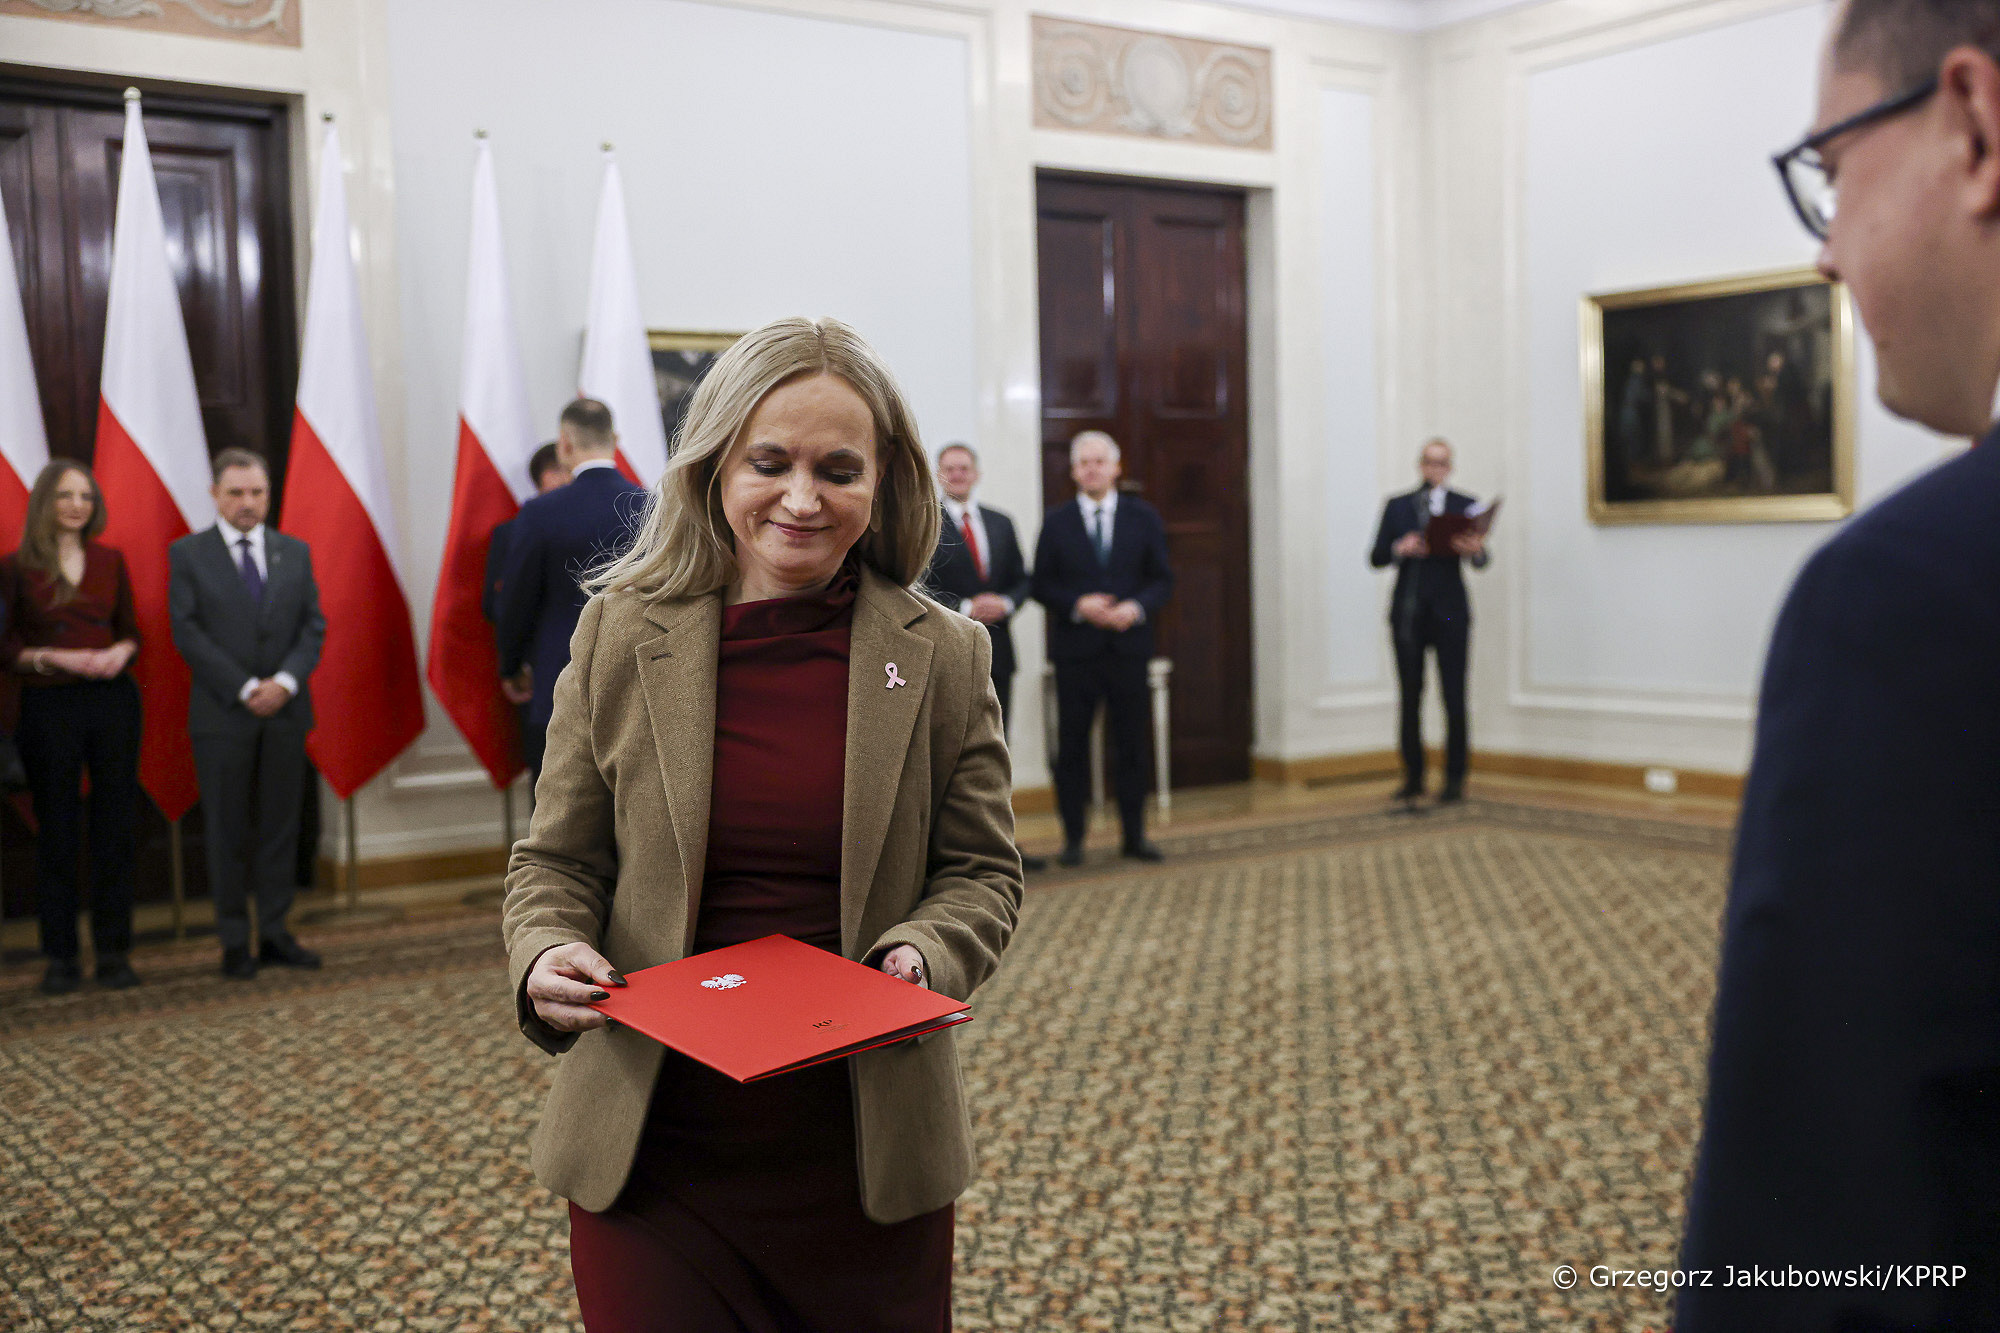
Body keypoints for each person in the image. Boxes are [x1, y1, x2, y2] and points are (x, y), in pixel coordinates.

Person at [502, 316, 1021, 1333]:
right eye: (769, 463)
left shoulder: (946, 655)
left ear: (882, 482)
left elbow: (981, 872)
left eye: (838, 469)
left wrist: (923, 953)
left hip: (863, 1150)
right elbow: (557, 858)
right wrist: (545, 947)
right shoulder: (619, 632)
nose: (802, 498)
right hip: (657, 1152)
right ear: (714, 469)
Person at [1678, 8, 2000, 1328]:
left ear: (1974, 126)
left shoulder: (1915, 600)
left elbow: (1817, 1252)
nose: (1824, 250)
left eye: (1832, 167)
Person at [168, 448, 326, 980]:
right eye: (236, 492)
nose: (247, 502)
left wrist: (284, 683)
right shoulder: (189, 554)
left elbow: (313, 626)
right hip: (222, 716)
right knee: (227, 830)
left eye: (257, 492)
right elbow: (187, 631)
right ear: (215, 494)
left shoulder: (294, 552)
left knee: (280, 826)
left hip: (285, 711)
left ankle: (276, 933)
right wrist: (243, 687)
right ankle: (235, 941)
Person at [0, 461, 142, 994]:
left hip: (112, 703)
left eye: (86, 496)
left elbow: (131, 632)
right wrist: (55, 658)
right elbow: (5, 648)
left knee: (115, 828)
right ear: (45, 501)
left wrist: (120, 653)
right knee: (57, 831)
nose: (78, 505)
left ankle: (113, 953)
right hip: (49, 707)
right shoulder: (16, 567)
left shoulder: (110, 560)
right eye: (66, 495)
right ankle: (60, 957)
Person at [1032, 430, 1173, 867]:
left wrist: (1135, 607)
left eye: (1099, 462)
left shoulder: (1143, 517)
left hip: (1129, 649)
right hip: (1076, 653)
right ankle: (1073, 839)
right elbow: (1041, 584)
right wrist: (1079, 605)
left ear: (1115, 468)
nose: (1091, 469)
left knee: (1132, 745)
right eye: (1083, 463)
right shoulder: (1056, 521)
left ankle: (1134, 836)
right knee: (1071, 748)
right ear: (1074, 472)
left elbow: (1162, 580)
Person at [495, 401, 643, 782]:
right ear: (615, 440)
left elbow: (516, 602)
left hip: (558, 686)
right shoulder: (651, 508)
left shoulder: (540, 513)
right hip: (635, 688)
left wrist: (511, 666)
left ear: (564, 445)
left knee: (556, 810)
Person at [923, 442, 1043, 871]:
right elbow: (917, 584)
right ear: (939, 475)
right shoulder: (926, 523)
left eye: (964, 468)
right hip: (949, 651)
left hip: (999, 652)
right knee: (950, 751)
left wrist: (1006, 603)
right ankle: (949, 850)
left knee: (995, 749)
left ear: (976, 473)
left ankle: (1001, 844)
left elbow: (1022, 580)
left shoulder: (1000, 521)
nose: (957, 475)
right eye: (949, 469)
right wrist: (967, 607)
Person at [1367, 438, 1488, 804]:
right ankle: (1413, 776)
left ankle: (1454, 779)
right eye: (1430, 462)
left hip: (1449, 610)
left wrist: (1475, 550)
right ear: (1420, 465)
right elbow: (1376, 556)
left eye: (1442, 463)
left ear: (1450, 468)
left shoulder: (1465, 505)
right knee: (1410, 695)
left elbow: (1483, 559)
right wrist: (1399, 548)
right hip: (1410, 610)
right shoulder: (1399, 505)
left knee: (1454, 694)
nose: (1436, 469)